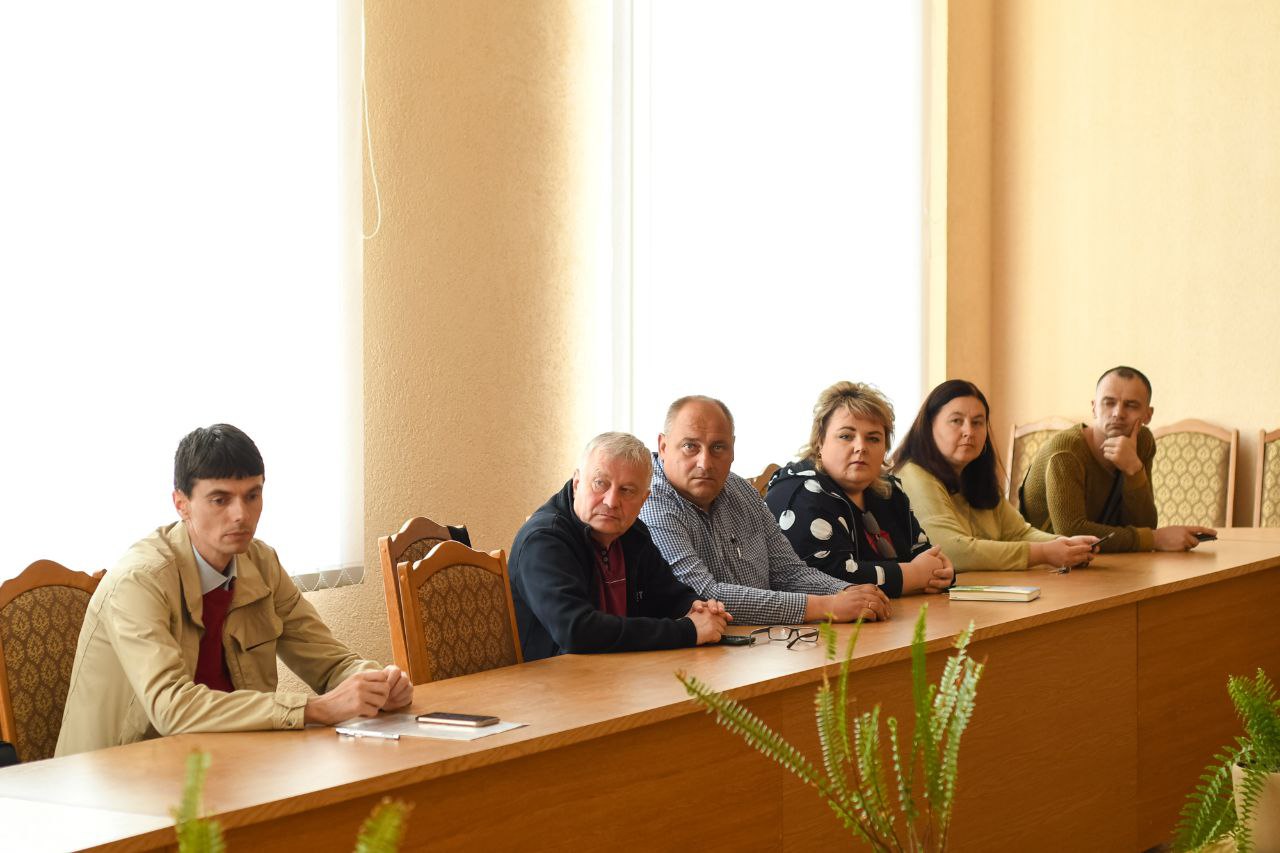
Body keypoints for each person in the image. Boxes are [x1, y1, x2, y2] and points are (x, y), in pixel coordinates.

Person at [57, 425, 412, 758]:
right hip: (118, 777)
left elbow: (331, 663)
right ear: (181, 503)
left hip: (228, 761)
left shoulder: (262, 563)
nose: (241, 514)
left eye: (252, 495)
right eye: (220, 500)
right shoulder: (140, 580)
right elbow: (172, 707)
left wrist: (378, 684)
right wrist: (313, 709)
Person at [639, 395, 891, 626]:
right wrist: (828, 606)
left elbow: (788, 572)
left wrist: (848, 593)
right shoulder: (648, 500)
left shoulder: (740, 489)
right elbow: (704, 596)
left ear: (733, 448)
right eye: (690, 446)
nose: (705, 463)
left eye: (718, 447)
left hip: (764, 644)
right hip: (688, 654)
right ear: (663, 446)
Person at [509, 432, 731, 661]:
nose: (611, 501)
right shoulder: (544, 540)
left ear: (643, 500)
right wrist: (688, 631)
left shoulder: (632, 533)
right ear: (577, 484)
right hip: (550, 678)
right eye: (600, 484)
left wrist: (699, 609)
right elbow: (577, 631)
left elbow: (669, 595)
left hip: (618, 671)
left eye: (627, 490)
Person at [765, 381, 954, 597]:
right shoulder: (800, 493)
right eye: (846, 436)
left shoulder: (889, 491)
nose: (861, 447)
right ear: (819, 441)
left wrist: (942, 572)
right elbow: (821, 578)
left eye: (873, 438)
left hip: (899, 614)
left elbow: (925, 556)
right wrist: (914, 574)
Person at [895, 381, 1099, 571]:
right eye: (956, 421)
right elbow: (952, 551)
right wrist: (1044, 553)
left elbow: (1018, 533)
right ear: (929, 426)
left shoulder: (975, 476)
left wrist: (1065, 545)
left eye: (978, 422)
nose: (969, 431)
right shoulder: (913, 474)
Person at [1019, 366, 1216, 551]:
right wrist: (1154, 539)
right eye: (1109, 403)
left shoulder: (1143, 442)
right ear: (1094, 408)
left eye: (1131, 405)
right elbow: (1071, 534)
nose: (1118, 413)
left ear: (1148, 415)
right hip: (1045, 565)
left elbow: (1143, 525)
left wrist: (1134, 470)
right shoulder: (1066, 451)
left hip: (1104, 561)